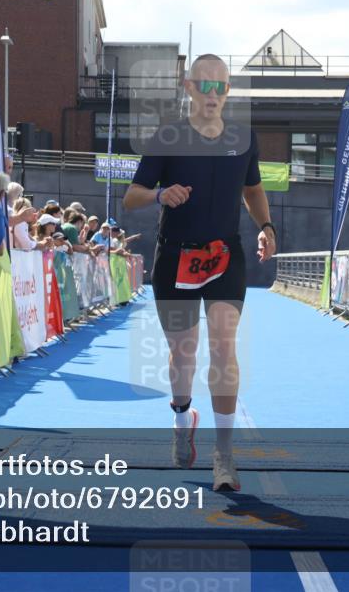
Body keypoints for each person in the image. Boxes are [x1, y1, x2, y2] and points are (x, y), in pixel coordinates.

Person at [123, 54, 276, 492]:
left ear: (228, 92)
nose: (213, 95)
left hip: (225, 255)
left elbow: (252, 188)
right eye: (204, 86)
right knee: (184, 354)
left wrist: (265, 226)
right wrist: (159, 195)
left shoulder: (243, 139)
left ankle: (224, 456)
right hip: (175, 257)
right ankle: (181, 415)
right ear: (188, 87)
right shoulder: (168, 136)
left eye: (221, 88)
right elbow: (132, 196)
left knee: (224, 346)